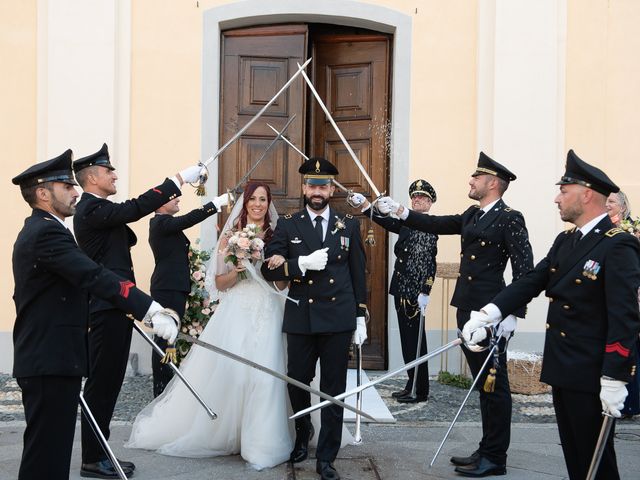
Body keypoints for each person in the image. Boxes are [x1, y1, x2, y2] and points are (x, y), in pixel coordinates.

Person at [464, 150, 640, 480]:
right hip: (563, 368)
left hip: (593, 376)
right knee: (576, 456)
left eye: (564, 191)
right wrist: (490, 313)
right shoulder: (566, 241)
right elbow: (534, 279)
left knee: (597, 463)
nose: (556, 199)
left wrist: (616, 376)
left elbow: (625, 316)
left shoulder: (617, 245)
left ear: (586, 194)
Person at [10, 150, 178, 480]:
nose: (75, 192)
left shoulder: (46, 230)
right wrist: (149, 309)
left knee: (50, 456)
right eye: (66, 186)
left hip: (53, 358)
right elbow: (93, 275)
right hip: (49, 359)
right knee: (46, 458)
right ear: (43, 194)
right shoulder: (46, 233)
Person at [375, 152, 534, 477]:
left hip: (491, 315)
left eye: (476, 177)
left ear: (492, 183)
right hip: (466, 310)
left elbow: (525, 269)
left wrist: (512, 313)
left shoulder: (510, 218)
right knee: (483, 387)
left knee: (494, 385)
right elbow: (433, 223)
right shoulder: (472, 215)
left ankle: (495, 457)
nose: (470, 181)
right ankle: (486, 449)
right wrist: (400, 211)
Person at [127, 181, 295, 470]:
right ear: (245, 203)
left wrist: (277, 268)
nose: (258, 204)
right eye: (253, 199)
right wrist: (240, 272)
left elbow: (282, 283)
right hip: (237, 311)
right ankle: (229, 433)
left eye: (263, 199)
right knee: (235, 376)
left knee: (268, 377)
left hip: (268, 309)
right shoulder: (230, 236)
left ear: (269, 204)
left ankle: (261, 441)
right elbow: (220, 283)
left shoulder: (278, 234)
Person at [73, 143, 203, 478]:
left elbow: (127, 213)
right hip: (105, 308)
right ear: (91, 178)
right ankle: (93, 458)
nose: (115, 174)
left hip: (116, 307)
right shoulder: (89, 209)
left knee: (110, 384)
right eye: (109, 171)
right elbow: (136, 208)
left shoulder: (99, 209)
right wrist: (177, 179)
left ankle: (99, 452)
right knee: (102, 386)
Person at [261, 157, 367, 480]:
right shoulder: (289, 225)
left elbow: (358, 273)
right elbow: (268, 269)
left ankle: (326, 458)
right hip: (301, 315)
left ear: (331, 189)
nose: (317, 191)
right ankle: (303, 430)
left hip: (337, 318)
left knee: (334, 388)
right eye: (312, 185)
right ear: (304, 188)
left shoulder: (348, 224)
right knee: (297, 379)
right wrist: (300, 264)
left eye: (323, 185)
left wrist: (360, 315)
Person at [351, 179, 438, 403]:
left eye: (423, 198)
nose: (417, 200)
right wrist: (367, 207)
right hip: (402, 290)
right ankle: (412, 383)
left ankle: (420, 390)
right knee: (408, 343)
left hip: (414, 294)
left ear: (430, 203)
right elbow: (389, 224)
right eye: (415, 197)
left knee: (417, 343)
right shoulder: (409, 223)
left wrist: (425, 291)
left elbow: (430, 264)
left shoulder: (428, 225)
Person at [149, 193, 230, 397]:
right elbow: (188, 219)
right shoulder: (161, 223)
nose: (177, 200)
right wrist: (214, 205)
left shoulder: (165, 224)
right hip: (167, 288)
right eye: (173, 197)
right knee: (164, 339)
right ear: (159, 204)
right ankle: (160, 389)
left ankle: (164, 386)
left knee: (169, 338)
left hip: (173, 287)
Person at [606, 190, 640, 418]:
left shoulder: (632, 229)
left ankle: (631, 403)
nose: (607, 205)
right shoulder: (602, 229)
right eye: (606, 201)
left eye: (612, 202)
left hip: (632, 296)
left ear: (623, 206)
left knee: (630, 350)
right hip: (607, 298)